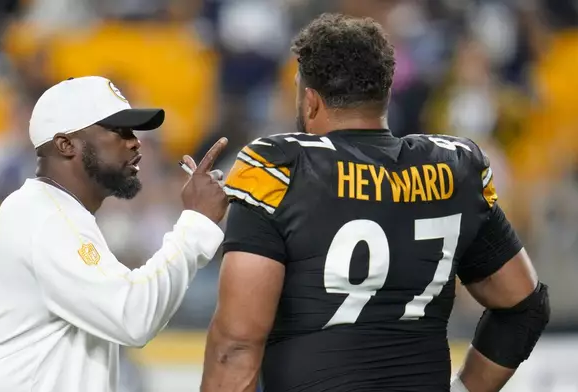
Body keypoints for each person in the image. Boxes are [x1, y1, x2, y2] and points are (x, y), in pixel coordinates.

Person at [201, 14, 550, 392]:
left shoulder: (280, 168)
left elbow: (235, 346)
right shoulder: (452, 170)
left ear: (312, 101)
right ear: (384, 94)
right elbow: (524, 306)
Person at [0, 76, 229, 392]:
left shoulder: (58, 212)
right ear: (66, 144)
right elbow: (133, 316)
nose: (135, 142)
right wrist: (195, 223)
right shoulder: (43, 214)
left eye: (133, 131)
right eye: (118, 131)